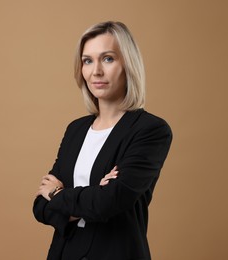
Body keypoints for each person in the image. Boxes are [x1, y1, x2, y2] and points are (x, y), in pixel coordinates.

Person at [33, 21, 172, 260]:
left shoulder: (151, 130)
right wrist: (93, 194)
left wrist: (58, 195)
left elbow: (109, 202)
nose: (96, 71)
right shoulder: (76, 129)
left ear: (128, 64)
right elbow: (40, 207)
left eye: (108, 59)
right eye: (88, 60)